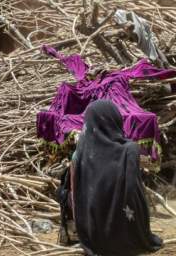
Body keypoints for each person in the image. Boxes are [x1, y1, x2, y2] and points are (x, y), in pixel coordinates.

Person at [57, 100, 162, 256]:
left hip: (92, 236)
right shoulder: (129, 150)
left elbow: (76, 198)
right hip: (128, 234)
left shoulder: (79, 155)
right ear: (115, 120)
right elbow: (134, 194)